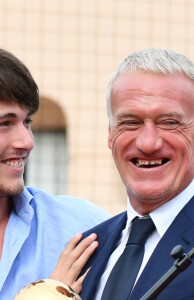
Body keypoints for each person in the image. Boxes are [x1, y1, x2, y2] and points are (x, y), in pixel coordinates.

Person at [0, 48, 194, 299]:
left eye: (168, 122)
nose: (148, 142)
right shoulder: (89, 245)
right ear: (110, 134)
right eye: (130, 122)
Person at [0, 49, 111, 300]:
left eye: (27, 122)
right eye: (5, 123)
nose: (27, 142)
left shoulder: (83, 228)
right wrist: (50, 294)